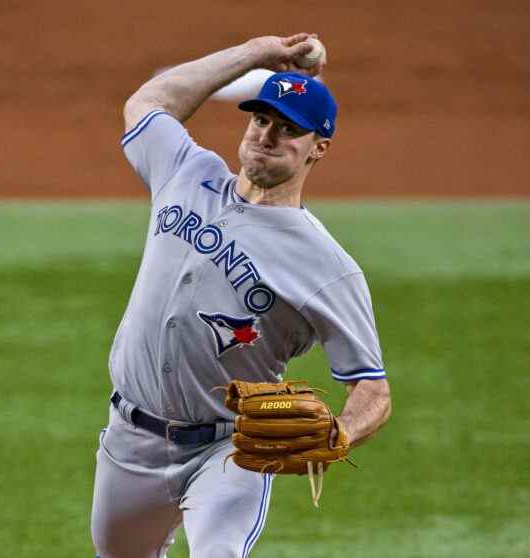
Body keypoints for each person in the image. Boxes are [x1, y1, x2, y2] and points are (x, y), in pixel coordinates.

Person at [90, 33, 391, 558]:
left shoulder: (328, 267)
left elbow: (373, 390)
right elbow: (149, 103)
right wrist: (254, 53)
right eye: (261, 120)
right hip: (129, 439)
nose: (267, 136)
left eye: (289, 129)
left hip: (228, 450)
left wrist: (336, 435)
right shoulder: (187, 172)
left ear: (319, 147)